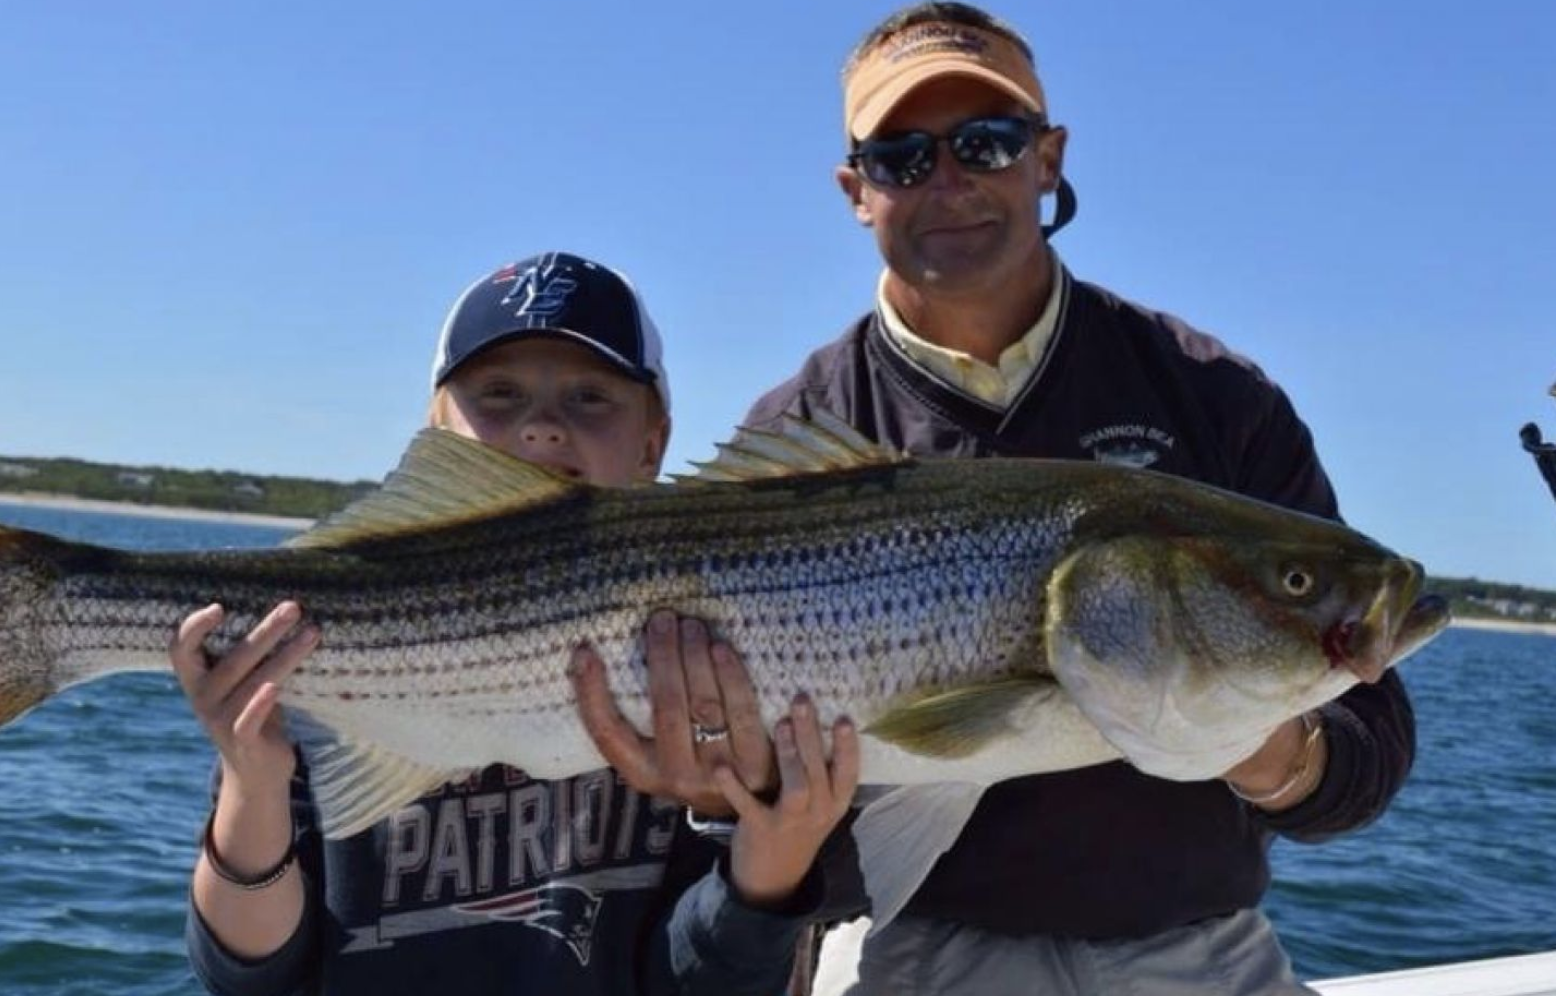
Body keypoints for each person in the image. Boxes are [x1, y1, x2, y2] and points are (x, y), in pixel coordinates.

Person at [742, 5, 1417, 994]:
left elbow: (1370, 750)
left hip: (1195, 943)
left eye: (986, 142)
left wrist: (1262, 747)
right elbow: (754, 821)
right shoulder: (798, 429)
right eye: (901, 156)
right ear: (855, 189)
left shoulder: (1210, 396)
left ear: (1046, 158)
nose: (950, 181)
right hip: (911, 945)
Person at [171, 250, 858, 995]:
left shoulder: (701, 656)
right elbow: (247, 979)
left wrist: (772, 857)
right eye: (498, 394)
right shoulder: (320, 637)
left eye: (590, 397)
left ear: (653, 443)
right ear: (436, 426)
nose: (540, 428)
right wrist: (253, 782)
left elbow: (696, 983)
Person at [1521, 421, 1556, 502]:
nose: (1524, 442)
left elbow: (1538, 449)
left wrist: (1528, 446)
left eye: (1527, 438)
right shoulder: (1537, 453)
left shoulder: (1548, 447)